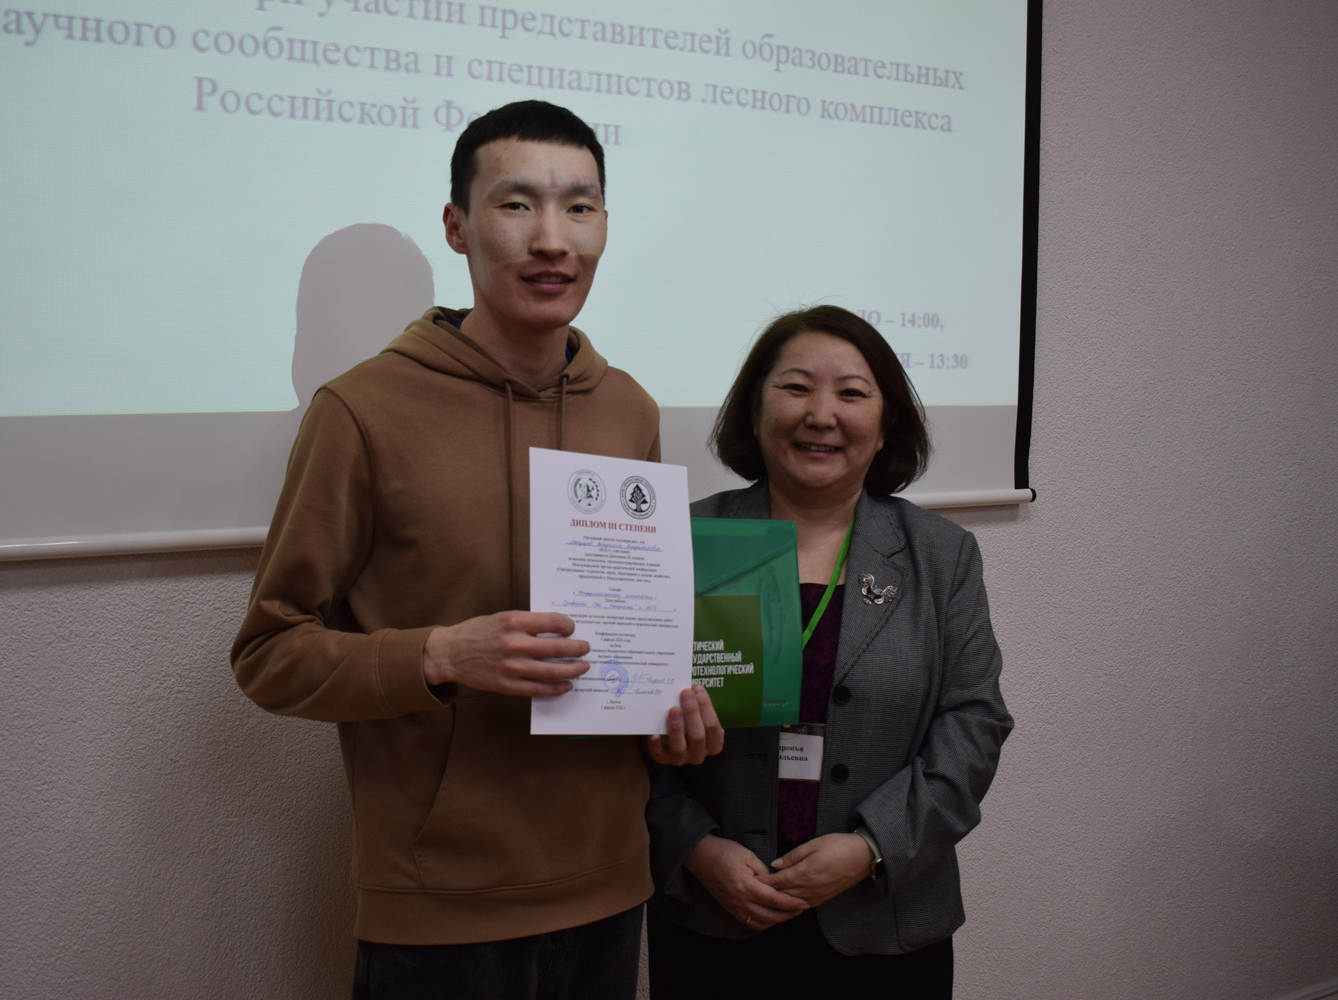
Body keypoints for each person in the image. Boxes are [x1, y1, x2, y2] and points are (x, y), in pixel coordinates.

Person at [230, 100, 722, 1000]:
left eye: (579, 207)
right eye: (515, 204)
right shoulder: (361, 411)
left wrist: (668, 712)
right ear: (457, 227)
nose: (552, 239)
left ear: (605, 225)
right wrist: (441, 654)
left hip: (613, 882)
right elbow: (269, 655)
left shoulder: (629, 410)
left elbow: (627, 639)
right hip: (440, 908)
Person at [645, 305, 1012, 999]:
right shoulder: (683, 540)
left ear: (886, 423)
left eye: (851, 393)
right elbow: (618, 726)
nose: (821, 415)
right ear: (755, 411)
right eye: (795, 388)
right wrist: (693, 846)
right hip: (715, 917)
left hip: (885, 920)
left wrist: (871, 846)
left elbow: (974, 725)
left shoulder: (942, 556)